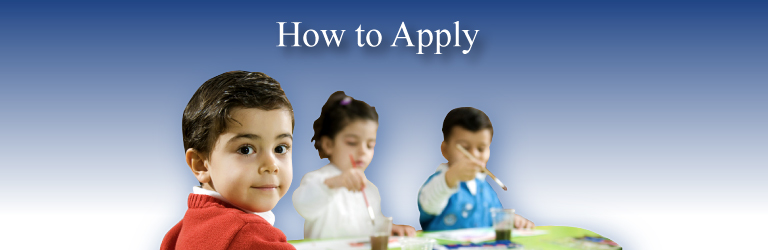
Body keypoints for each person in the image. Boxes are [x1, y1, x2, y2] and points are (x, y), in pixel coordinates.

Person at [161, 71, 296, 250]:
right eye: (246, 149)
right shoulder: (250, 234)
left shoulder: (179, 232)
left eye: (280, 148)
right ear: (201, 164)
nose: (271, 165)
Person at [292, 91, 416, 239]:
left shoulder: (370, 190)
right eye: (352, 142)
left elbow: (372, 225)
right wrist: (333, 183)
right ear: (328, 144)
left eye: (370, 145)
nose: (362, 151)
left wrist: (389, 228)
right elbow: (302, 204)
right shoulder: (318, 180)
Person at [418, 107, 534, 231]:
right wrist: (451, 177)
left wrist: (509, 220)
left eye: (481, 149)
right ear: (445, 150)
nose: (474, 155)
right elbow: (428, 204)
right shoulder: (440, 183)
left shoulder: (486, 190)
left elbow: (492, 221)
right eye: (464, 148)